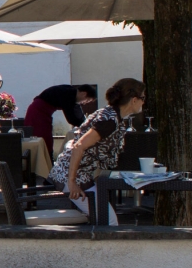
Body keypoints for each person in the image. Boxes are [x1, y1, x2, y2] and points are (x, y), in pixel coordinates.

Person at [45, 78, 146, 222]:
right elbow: (79, 146)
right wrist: (72, 182)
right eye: (143, 98)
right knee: (109, 221)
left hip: (81, 177)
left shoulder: (112, 115)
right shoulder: (109, 121)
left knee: (106, 218)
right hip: (72, 178)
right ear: (134, 100)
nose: (144, 101)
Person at [24, 83, 94, 145]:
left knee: (47, 137)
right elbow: (71, 118)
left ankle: (47, 158)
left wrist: (86, 123)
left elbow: (79, 114)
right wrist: (85, 126)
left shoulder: (72, 93)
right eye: (87, 100)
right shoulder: (68, 94)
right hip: (38, 112)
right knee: (42, 136)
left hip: (45, 113)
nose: (85, 103)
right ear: (84, 94)